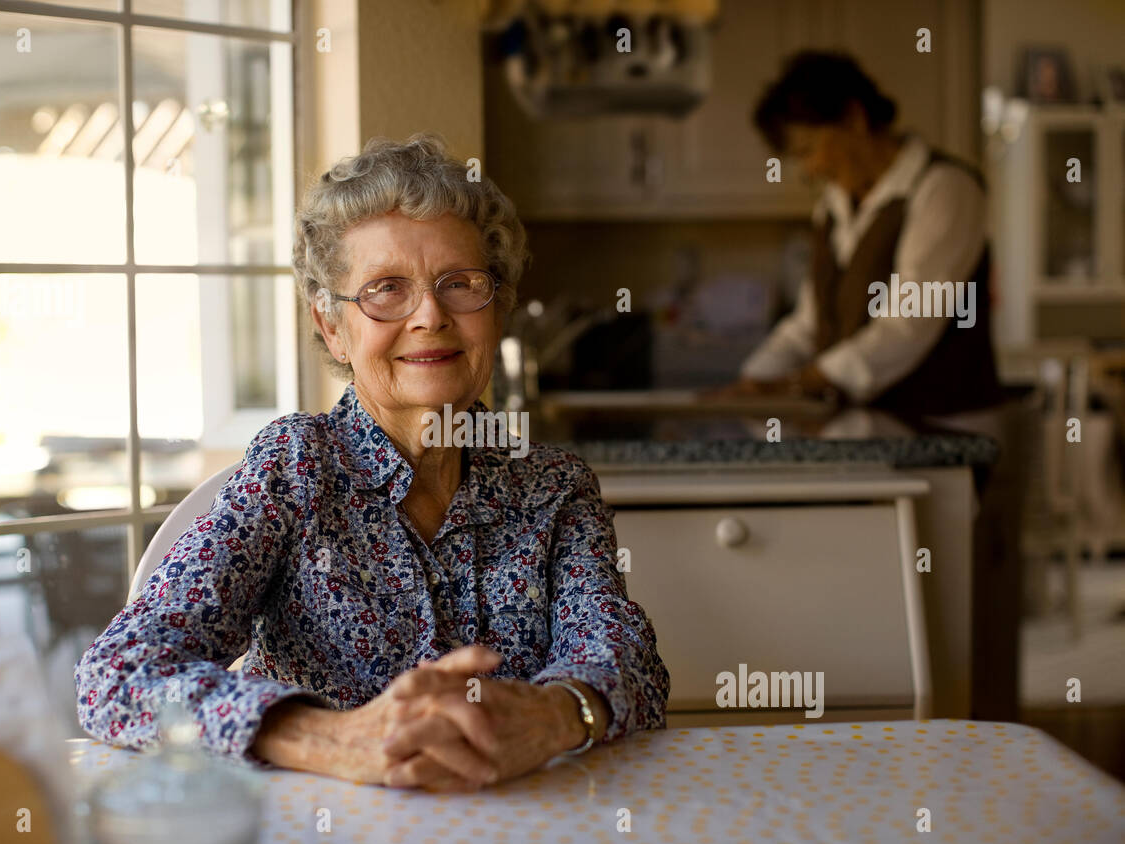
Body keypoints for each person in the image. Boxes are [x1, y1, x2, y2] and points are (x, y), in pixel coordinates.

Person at [75, 133, 670, 792]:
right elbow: (117, 673)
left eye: (461, 284)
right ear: (332, 327)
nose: (430, 316)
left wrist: (558, 717)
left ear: (496, 309)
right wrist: (332, 737)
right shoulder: (297, 467)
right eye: (386, 289)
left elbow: (626, 658)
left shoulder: (552, 483)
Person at [715, 51, 1004, 417]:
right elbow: (808, 324)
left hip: (942, 427)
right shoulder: (834, 206)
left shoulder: (945, 188)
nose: (810, 170)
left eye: (809, 150)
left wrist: (797, 383)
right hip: (867, 429)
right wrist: (752, 381)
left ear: (854, 118)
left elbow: (907, 325)